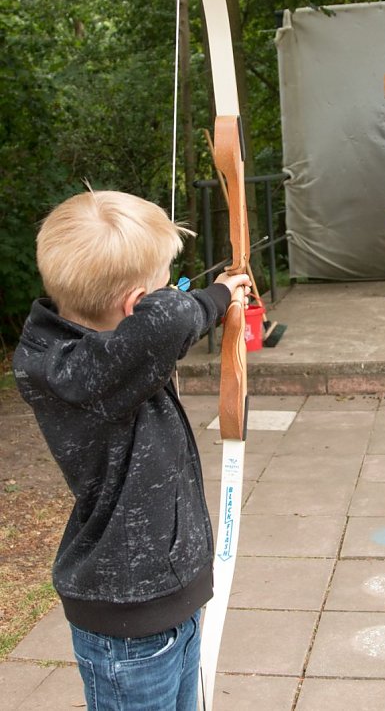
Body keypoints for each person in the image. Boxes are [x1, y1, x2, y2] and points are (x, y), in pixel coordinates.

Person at [12, 188, 251, 711]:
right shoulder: (82, 371)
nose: (172, 291)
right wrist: (217, 296)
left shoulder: (89, 350)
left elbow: (156, 322)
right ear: (134, 305)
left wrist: (199, 294)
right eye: (165, 283)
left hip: (166, 601)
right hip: (130, 630)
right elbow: (168, 320)